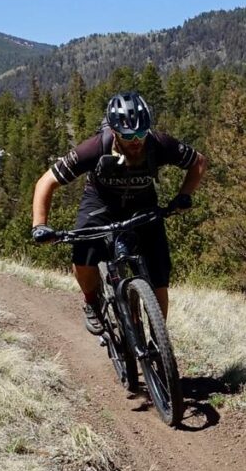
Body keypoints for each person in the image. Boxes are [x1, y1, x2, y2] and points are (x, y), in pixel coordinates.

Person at [29, 91, 207, 334]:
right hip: (100, 203)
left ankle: (159, 340)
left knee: (159, 277)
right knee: (83, 257)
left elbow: (198, 162)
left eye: (142, 133)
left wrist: (184, 195)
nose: (136, 140)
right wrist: (40, 225)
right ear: (114, 132)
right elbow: (46, 182)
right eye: (128, 135)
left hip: (143, 206)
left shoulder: (158, 143)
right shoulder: (94, 148)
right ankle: (92, 302)